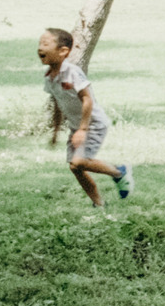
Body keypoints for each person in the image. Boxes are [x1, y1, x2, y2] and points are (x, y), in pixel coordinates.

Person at [36, 28, 133, 205]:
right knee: (75, 167)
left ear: (63, 51)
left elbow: (87, 99)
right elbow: (58, 106)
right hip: (77, 127)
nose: (40, 48)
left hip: (93, 124)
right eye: (39, 43)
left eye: (45, 43)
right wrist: (56, 133)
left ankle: (120, 172)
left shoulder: (72, 72)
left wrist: (83, 129)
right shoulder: (49, 78)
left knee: (79, 161)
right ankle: (99, 204)